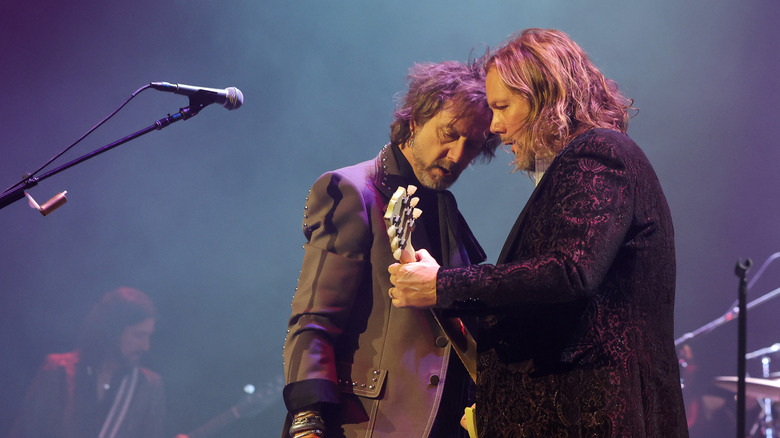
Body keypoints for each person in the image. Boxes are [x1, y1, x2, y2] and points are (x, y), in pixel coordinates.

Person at [389, 28, 689, 437]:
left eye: (502, 107)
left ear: (546, 96)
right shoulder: (586, 161)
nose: (493, 126)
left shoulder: (600, 154)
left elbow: (568, 273)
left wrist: (444, 285)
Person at [281, 60, 499, 438]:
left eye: (473, 145)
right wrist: (307, 418)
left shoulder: (444, 205)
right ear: (414, 121)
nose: (458, 154)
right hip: (367, 423)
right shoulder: (353, 190)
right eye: (449, 134)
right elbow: (313, 319)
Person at [11, 287, 166, 438]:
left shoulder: (149, 386)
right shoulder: (58, 370)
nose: (146, 346)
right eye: (139, 335)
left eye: (148, 336)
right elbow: (25, 432)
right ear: (113, 331)